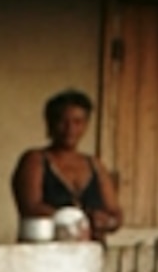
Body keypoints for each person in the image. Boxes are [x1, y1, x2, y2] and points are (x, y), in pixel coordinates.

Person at [11, 89, 123, 240]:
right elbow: (31, 207)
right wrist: (80, 220)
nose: (70, 129)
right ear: (50, 123)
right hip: (45, 253)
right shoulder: (35, 160)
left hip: (88, 255)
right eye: (62, 121)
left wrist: (107, 221)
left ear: (86, 125)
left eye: (78, 122)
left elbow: (115, 213)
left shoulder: (95, 165)